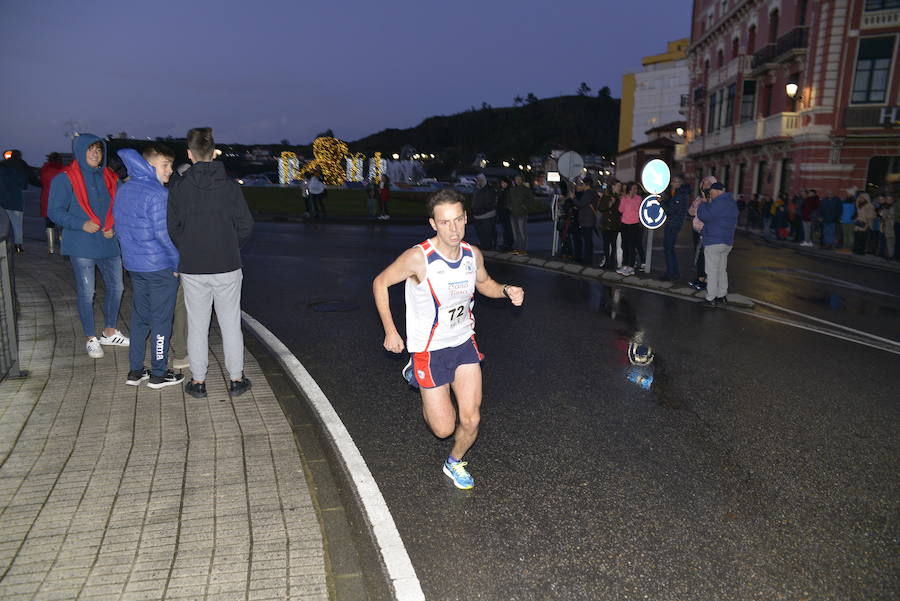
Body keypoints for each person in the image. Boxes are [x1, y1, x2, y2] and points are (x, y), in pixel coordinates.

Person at [372, 190, 524, 490]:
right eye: (445, 222)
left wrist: (506, 290)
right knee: (443, 428)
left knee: (471, 420)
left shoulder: (472, 254)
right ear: (433, 224)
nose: (453, 229)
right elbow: (380, 283)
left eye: (458, 220)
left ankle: (454, 462)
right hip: (429, 351)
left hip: (463, 343)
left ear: (466, 218)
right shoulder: (419, 258)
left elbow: (485, 284)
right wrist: (391, 331)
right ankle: (415, 370)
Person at [167, 127, 254, 399]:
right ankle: (236, 379)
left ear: (189, 153)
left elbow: (173, 227)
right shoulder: (229, 186)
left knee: (197, 325)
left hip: (194, 266)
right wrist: (229, 245)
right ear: (213, 152)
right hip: (227, 263)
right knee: (230, 324)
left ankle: (199, 381)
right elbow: (245, 225)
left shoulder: (179, 187)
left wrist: (190, 247)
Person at [48, 134, 129, 358]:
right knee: (87, 292)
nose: (95, 154)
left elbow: (122, 207)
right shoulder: (65, 179)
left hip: (108, 241)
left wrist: (116, 227)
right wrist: (80, 224)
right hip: (81, 243)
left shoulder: (111, 177)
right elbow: (54, 212)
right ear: (80, 151)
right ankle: (90, 337)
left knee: (117, 288)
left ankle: (110, 331)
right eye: (90, 150)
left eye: (99, 150)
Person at [114, 145, 184, 389]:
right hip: (160, 267)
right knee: (161, 319)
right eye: (165, 165)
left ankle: (135, 371)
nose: (170, 171)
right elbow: (163, 235)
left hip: (135, 265)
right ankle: (158, 372)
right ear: (150, 166)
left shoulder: (124, 189)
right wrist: (177, 262)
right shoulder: (157, 194)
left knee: (139, 318)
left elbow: (121, 229)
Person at [697, 182, 738, 307]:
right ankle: (722, 295)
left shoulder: (718, 203)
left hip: (714, 241)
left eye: (711, 192)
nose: (710, 194)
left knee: (712, 271)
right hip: (727, 242)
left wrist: (704, 203)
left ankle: (710, 298)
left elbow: (703, 215)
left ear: (718, 191)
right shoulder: (731, 203)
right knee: (721, 270)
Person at [688, 175, 717, 290]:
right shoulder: (699, 198)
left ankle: (706, 280)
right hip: (696, 229)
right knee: (698, 255)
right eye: (704, 183)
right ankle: (700, 277)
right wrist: (697, 207)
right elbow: (690, 211)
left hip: (707, 231)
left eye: (708, 184)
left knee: (706, 256)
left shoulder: (714, 199)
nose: (705, 185)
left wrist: (705, 203)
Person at [660, 175, 691, 281]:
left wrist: (661, 203)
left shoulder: (680, 194)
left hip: (673, 224)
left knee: (668, 248)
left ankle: (671, 273)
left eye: (675, 181)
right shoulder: (676, 193)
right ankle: (674, 272)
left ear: (679, 184)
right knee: (670, 248)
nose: (672, 182)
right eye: (672, 181)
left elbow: (670, 210)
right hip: (672, 223)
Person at [0, 149, 29, 253]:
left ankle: (4, 245)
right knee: (17, 225)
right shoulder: (20, 168)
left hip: (3, 201)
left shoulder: (1, 167)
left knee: (4, 225)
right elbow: (24, 185)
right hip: (16, 201)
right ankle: (18, 246)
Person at [40, 152, 66, 254]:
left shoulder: (45, 170)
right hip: (61, 200)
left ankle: (51, 248)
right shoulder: (63, 170)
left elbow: (42, 182)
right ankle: (63, 247)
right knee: (61, 225)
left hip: (47, 199)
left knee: (49, 224)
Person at [616, 182, 642, 276]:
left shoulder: (638, 198)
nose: (634, 190)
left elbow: (638, 209)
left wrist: (632, 199)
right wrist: (625, 199)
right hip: (624, 224)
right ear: (629, 189)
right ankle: (625, 265)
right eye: (632, 188)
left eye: (635, 188)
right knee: (625, 246)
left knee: (632, 246)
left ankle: (631, 267)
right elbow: (620, 210)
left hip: (634, 224)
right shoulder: (624, 198)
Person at [573, 177, 598, 266]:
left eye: (583, 184)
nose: (581, 186)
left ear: (586, 185)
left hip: (587, 220)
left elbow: (581, 204)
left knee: (587, 241)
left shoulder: (588, 193)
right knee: (588, 241)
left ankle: (587, 260)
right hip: (589, 219)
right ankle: (588, 259)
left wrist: (574, 198)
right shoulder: (592, 193)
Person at [597, 180, 622, 270]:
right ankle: (607, 262)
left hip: (615, 225)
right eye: (618, 186)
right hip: (606, 225)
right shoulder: (606, 197)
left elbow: (620, 212)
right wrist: (610, 204)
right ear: (613, 186)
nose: (620, 188)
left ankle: (611, 263)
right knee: (606, 245)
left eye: (620, 186)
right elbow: (600, 208)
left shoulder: (619, 198)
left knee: (614, 245)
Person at [508, 174, 533, 254]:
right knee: (515, 233)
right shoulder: (512, 189)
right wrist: (509, 206)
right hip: (513, 213)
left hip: (522, 214)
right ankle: (516, 248)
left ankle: (523, 249)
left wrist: (524, 206)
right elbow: (508, 199)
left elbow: (531, 200)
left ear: (522, 180)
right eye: (516, 179)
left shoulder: (525, 189)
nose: (518, 181)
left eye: (519, 179)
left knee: (522, 232)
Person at [471, 174, 497, 250]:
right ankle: (484, 245)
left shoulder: (489, 189)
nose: (479, 182)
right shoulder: (476, 189)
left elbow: (489, 202)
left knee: (487, 233)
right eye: (478, 180)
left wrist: (479, 210)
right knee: (480, 233)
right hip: (477, 215)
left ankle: (489, 247)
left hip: (487, 215)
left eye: (480, 180)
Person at [496, 176, 513, 251]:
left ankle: (508, 245)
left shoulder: (508, 191)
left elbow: (507, 202)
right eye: (502, 183)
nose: (503, 184)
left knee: (508, 229)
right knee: (504, 229)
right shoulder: (501, 191)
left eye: (504, 183)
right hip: (502, 212)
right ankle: (505, 244)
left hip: (507, 212)